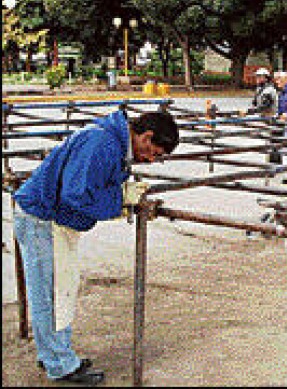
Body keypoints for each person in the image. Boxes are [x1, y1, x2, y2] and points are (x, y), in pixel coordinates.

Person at [12, 109, 179, 385]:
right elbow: (76, 195)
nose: (150, 160)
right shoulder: (102, 143)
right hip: (41, 218)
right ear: (146, 136)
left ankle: (56, 354)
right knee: (51, 294)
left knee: (59, 289)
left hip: (48, 218)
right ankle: (59, 364)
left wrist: (118, 194)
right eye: (154, 153)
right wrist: (119, 199)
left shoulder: (110, 142)